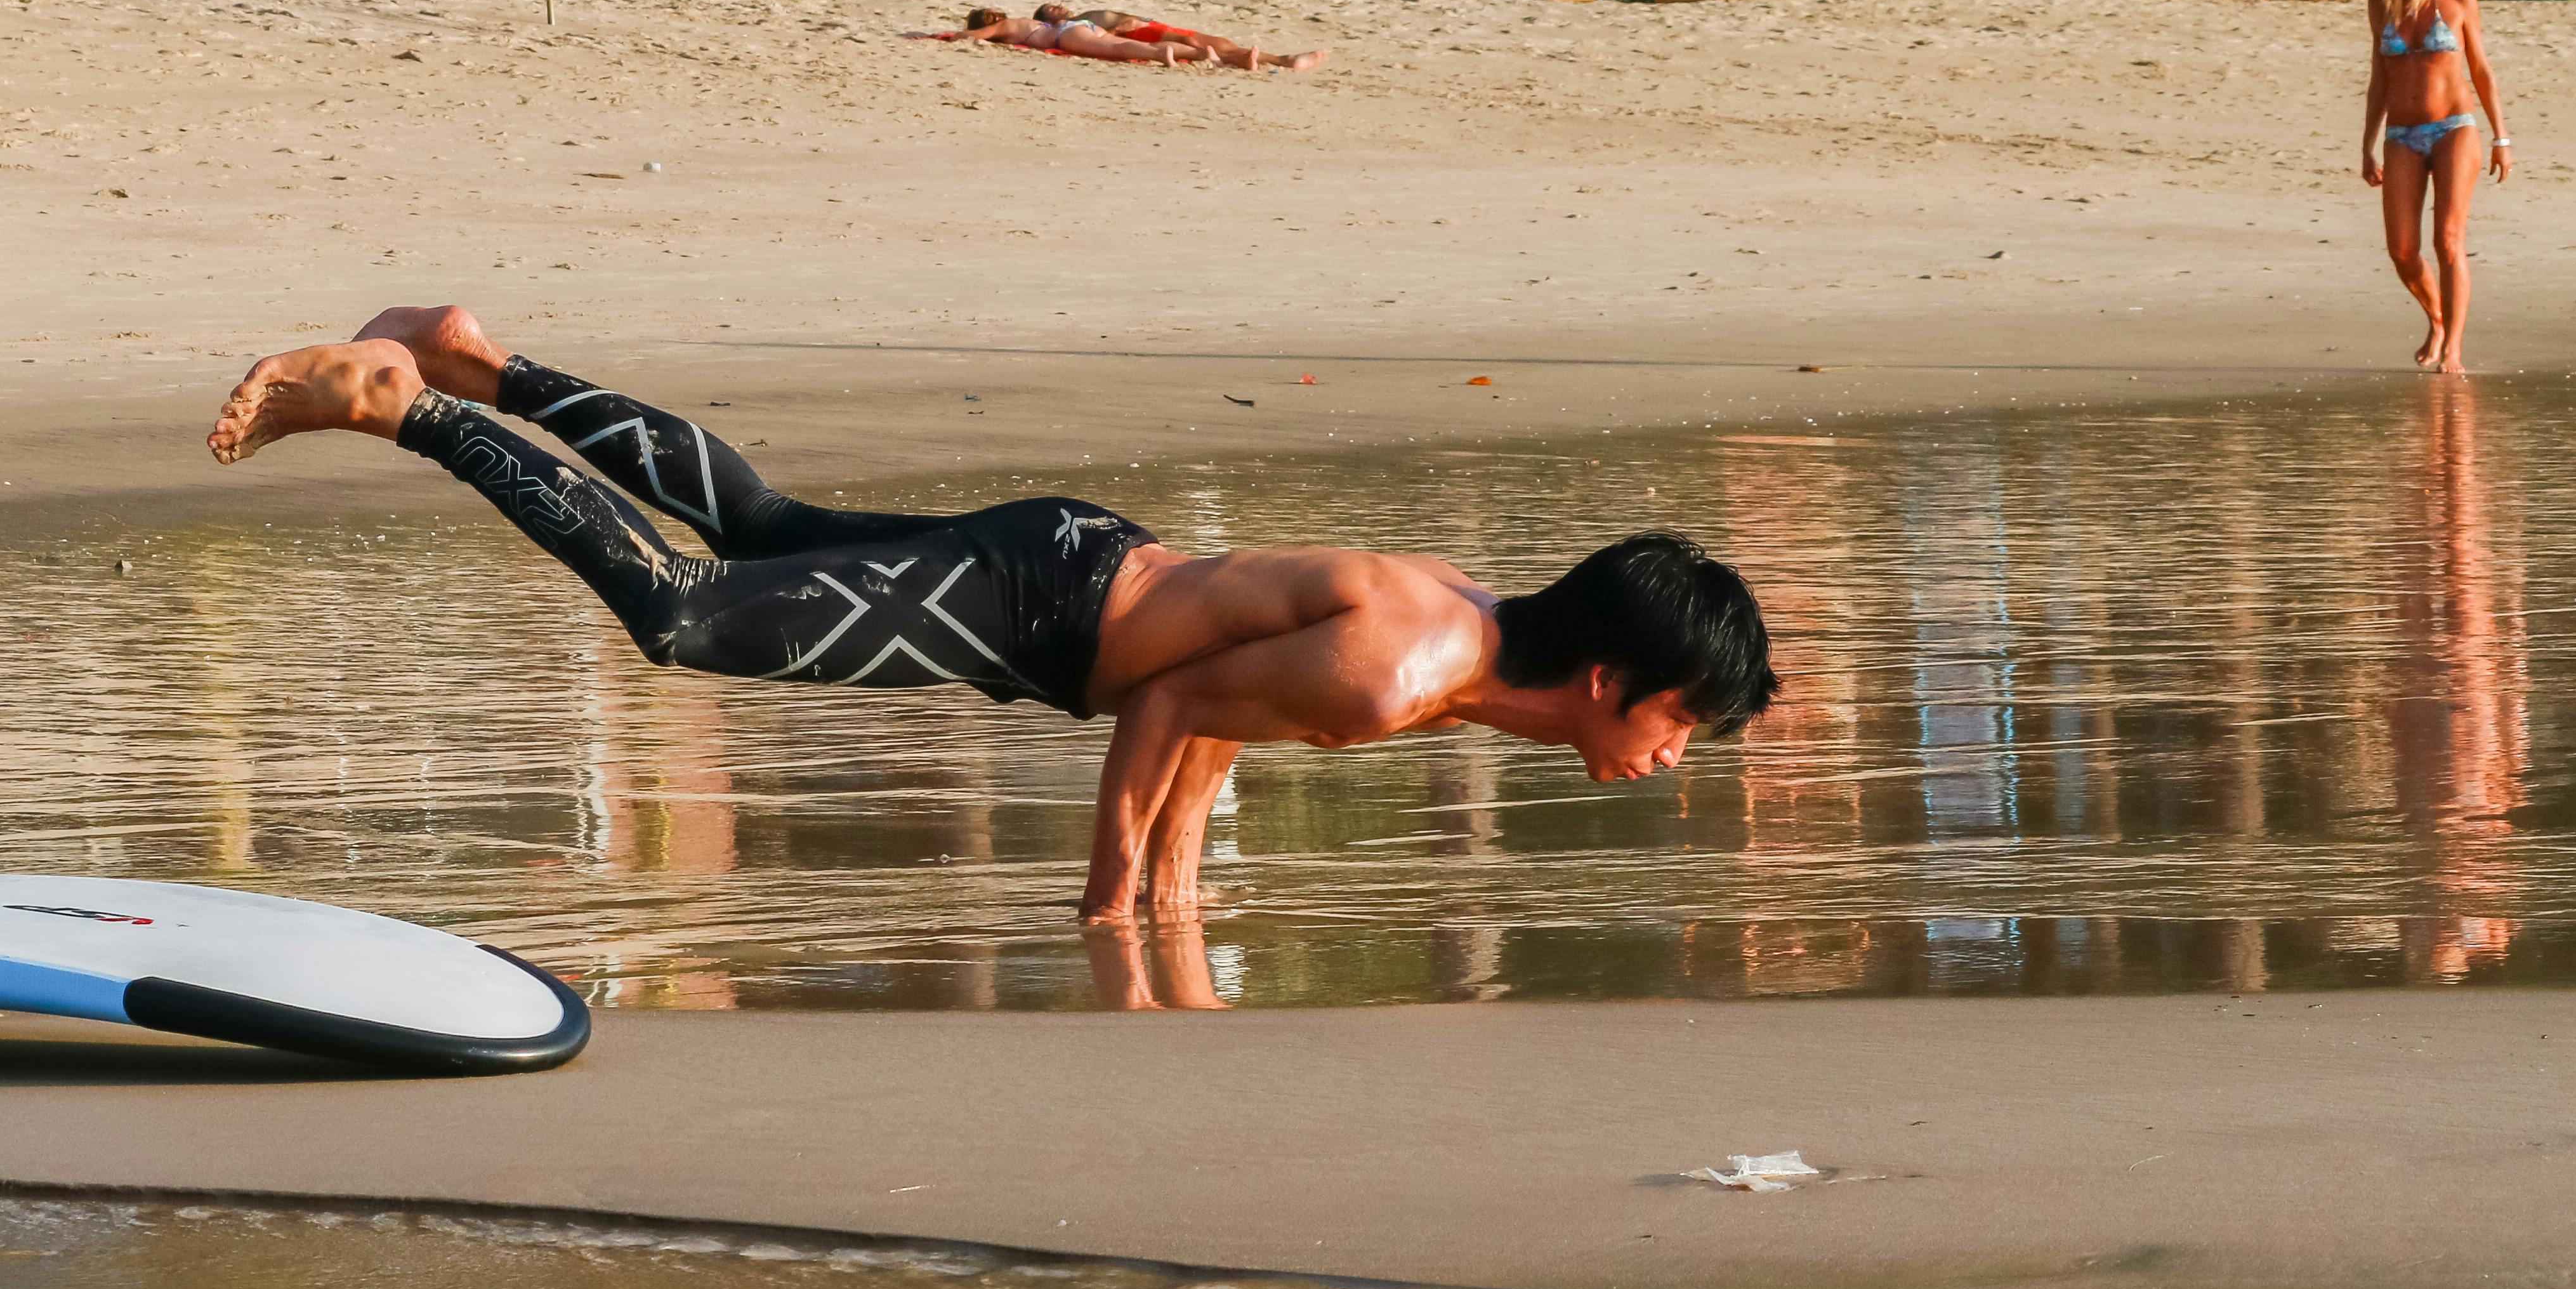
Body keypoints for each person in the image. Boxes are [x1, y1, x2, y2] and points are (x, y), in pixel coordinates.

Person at [207, 307, 1778, 920]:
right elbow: (1171, 709)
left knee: (761, 527)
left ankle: (485, 359)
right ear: (1610, 676)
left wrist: (1176, 907)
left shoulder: (1460, 627)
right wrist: (1114, 908)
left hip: (1075, 566)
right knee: (685, 615)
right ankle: (405, 399)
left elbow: (1221, 704)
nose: (1671, 757)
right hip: (1036, 607)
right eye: (1680, 724)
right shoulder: (1410, 664)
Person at [2360, 0, 2510, 374]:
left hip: (2454, 129)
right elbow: (2379, 79)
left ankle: (2455, 350)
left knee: (2448, 240)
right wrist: (2367, 145)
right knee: (2402, 251)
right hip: (2401, 135)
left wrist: (2501, 137)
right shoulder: (2380, 1)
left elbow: (2481, 70)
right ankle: (2437, 318)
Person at [1037, 2, 1326, 72]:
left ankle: (1278, 59)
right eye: (1050, 9)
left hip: (1149, 25)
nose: (1058, 7)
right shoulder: (1071, 27)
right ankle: (1283, 60)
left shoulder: (1081, 17)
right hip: (1141, 32)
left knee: (1210, 42)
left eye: (1056, 4)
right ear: (1046, 19)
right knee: (1195, 44)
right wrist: (1120, 28)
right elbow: (1106, 39)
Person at [938, 6, 1187, 66]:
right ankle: (1199, 53)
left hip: (1065, 35)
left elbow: (973, 36)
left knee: (1117, 50)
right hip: (1079, 26)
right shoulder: (1023, 21)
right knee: (1125, 43)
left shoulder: (1005, 27)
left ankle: (1160, 55)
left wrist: (955, 35)